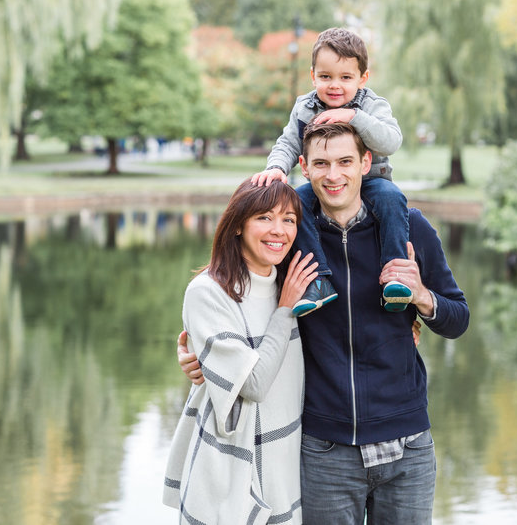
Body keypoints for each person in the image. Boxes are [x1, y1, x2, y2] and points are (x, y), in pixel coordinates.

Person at [180, 122, 470, 524]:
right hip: (324, 450)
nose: (334, 175)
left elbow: (458, 319)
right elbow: (249, 302)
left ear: (366, 162)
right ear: (304, 166)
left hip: (407, 444)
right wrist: (199, 356)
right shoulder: (292, 238)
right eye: (321, 163)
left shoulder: (407, 228)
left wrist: (422, 296)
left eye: (345, 161)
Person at [162, 179, 318, 524]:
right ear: (237, 225)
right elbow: (255, 384)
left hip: (287, 463)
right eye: (264, 217)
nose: (279, 230)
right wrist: (285, 310)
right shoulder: (209, 292)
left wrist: (412, 320)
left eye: (289, 219)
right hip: (232, 472)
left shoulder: (292, 283)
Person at [252, 27, 412, 317]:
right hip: (323, 186)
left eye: (346, 78)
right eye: (326, 77)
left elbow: (392, 140)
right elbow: (288, 142)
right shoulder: (304, 108)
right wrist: (276, 168)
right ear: (313, 76)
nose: (335, 85)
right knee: (294, 203)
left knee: (392, 198)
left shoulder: (371, 106)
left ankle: (395, 275)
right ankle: (320, 279)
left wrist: (354, 117)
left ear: (362, 78)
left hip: (372, 180)